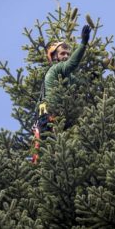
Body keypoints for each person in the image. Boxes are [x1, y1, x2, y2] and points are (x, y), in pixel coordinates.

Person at [31, 25, 91, 163]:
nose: (66, 56)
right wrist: (83, 43)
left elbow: (80, 83)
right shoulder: (57, 68)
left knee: (59, 150)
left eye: (68, 54)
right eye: (62, 53)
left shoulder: (67, 77)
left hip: (59, 115)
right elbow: (72, 64)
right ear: (54, 56)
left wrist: (92, 77)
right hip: (48, 113)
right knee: (44, 149)